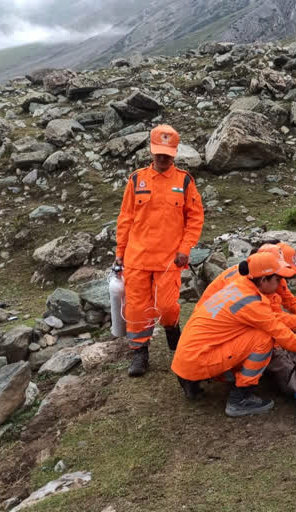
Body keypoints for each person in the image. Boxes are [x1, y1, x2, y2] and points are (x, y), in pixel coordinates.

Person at [171, 252, 296, 417]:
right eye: (277, 279)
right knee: (264, 338)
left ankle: (193, 379)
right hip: (198, 359)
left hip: (187, 358)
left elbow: (271, 318)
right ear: (263, 279)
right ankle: (240, 398)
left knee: (257, 332)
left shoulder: (241, 286)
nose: (280, 284)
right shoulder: (251, 302)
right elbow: (289, 341)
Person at [115, 125, 204, 377]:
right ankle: (139, 353)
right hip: (136, 258)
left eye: (167, 153)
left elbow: (195, 218)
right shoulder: (136, 180)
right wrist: (119, 253)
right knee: (135, 308)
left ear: (174, 153)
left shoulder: (184, 181)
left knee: (167, 306)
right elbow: (125, 219)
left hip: (169, 259)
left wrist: (185, 248)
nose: (162, 157)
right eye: (158, 153)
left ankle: (172, 331)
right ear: (151, 151)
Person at [195, 242, 296, 333]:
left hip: (216, 321)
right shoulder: (247, 282)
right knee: (264, 339)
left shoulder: (266, 274)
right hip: (212, 326)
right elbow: (272, 319)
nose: (284, 277)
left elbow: (289, 300)